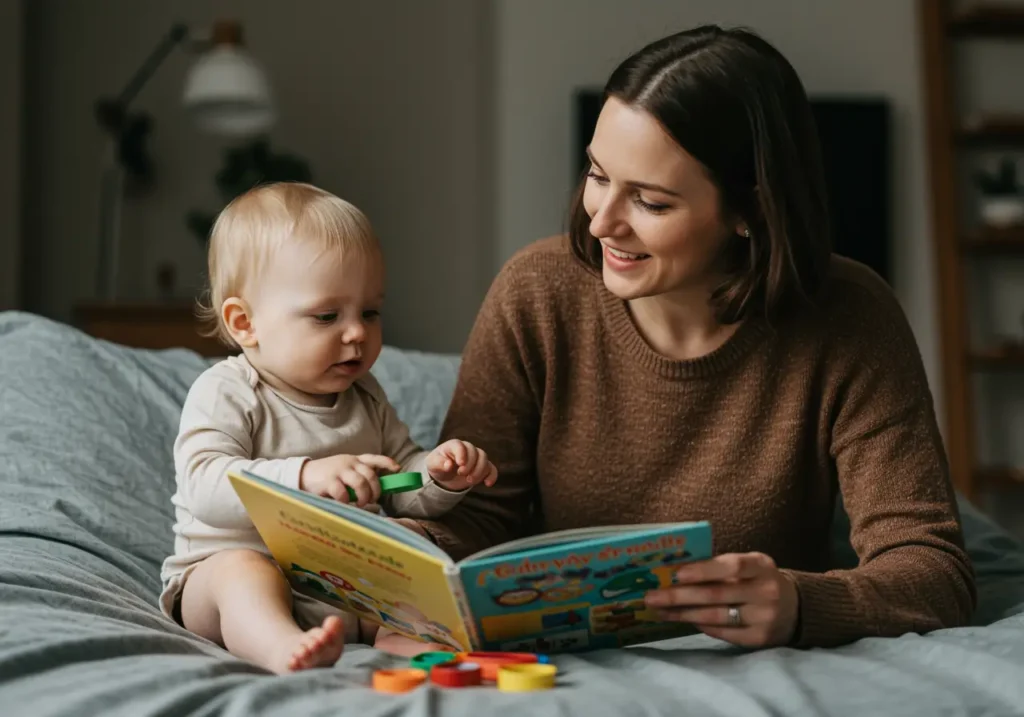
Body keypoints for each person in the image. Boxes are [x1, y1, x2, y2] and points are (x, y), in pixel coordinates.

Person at [406, 25, 976, 649]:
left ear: (749, 212)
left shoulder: (849, 315)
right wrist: (385, 565)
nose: (600, 221)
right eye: (597, 174)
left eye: (650, 202)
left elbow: (932, 571)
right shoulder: (535, 291)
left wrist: (799, 603)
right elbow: (480, 520)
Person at [159, 182, 498, 674]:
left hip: (340, 584)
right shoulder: (230, 391)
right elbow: (205, 485)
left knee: (410, 557)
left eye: (370, 312)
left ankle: (407, 645)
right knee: (243, 573)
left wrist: (437, 476)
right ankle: (280, 647)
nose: (357, 331)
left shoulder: (366, 397)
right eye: (326, 316)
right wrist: (304, 477)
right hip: (225, 585)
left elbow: (397, 484)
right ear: (245, 322)